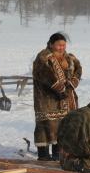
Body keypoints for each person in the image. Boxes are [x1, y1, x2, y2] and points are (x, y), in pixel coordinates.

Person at [33, 32, 82, 161]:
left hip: (65, 99)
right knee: (46, 125)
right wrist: (60, 88)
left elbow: (78, 69)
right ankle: (43, 155)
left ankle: (57, 153)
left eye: (64, 45)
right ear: (51, 44)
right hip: (47, 98)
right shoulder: (43, 57)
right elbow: (45, 75)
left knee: (62, 126)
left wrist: (73, 81)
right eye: (59, 45)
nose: (62, 48)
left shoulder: (69, 58)